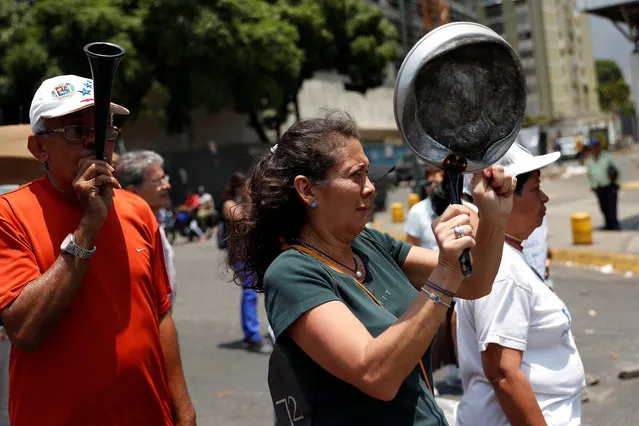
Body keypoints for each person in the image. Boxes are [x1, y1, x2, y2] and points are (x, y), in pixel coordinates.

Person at [227, 111, 517, 425]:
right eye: (356, 175)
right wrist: (445, 272)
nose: (370, 188)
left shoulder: (369, 243)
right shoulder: (291, 273)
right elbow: (375, 374)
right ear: (307, 190)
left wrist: (494, 217)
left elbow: (474, 284)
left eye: (368, 174)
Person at [0, 75, 195, 426]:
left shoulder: (136, 209)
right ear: (38, 148)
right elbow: (25, 330)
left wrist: (183, 410)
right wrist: (88, 228)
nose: (93, 141)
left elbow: (161, 314)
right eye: (75, 130)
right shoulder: (9, 214)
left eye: (104, 130)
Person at [455, 143, 585, 426]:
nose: (545, 197)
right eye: (536, 188)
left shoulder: (504, 258)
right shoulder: (503, 270)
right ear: (507, 194)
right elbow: (504, 374)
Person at [116, 150, 177, 303]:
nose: (167, 185)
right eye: (158, 181)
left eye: (165, 178)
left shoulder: (158, 219)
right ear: (133, 191)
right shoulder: (126, 231)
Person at [221, 172, 270, 354]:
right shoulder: (229, 204)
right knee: (249, 292)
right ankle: (252, 335)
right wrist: (251, 200)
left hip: (250, 254)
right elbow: (246, 221)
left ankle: (253, 333)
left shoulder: (243, 202)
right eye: (245, 185)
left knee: (254, 291)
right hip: (240, 255)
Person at [405, 168, 445, 250]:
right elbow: (412, 249)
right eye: (429, 183)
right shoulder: (416, 212)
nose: (433, 186)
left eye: (437, 183)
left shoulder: (465, 208)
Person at [586, 138, 621, 230]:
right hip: (598, 187)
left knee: (611, 206)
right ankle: (608, 224)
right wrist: (591, 185)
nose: (595, 148)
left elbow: (617, 168)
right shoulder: (589, 160)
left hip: (610, 185)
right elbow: (589, 174)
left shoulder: (607, 156)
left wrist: (617, 182)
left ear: (599, 146)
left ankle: (614, 225)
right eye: (593, 146)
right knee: (603, 206)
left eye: (596, 146)